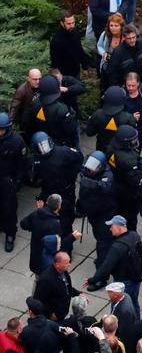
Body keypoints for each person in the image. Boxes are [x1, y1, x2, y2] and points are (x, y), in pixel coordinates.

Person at [85, 215, 142, 309]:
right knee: (134, 303)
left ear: (118, 226)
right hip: (136, 278)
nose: (110, 229)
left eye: (112, 226)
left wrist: (92, 280)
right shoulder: (134, 235)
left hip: (123, 282)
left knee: (119, 307)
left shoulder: (117, 247)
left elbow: (105, 268)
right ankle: (135, 322)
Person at [30, 131, 83, 234]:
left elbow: (79, 157)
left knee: (66, 220)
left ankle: (66, 244)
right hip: (49, 193)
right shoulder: (37, 160)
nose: (44, 149)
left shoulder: (64, 152)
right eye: (40, 147)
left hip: (66, 192)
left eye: (45, 145)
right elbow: (35, 178)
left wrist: (72, 173)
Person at [0, 113, 29, 252]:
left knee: (9, 208)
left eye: (2, 129)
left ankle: (10, 234)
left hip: (7, 179)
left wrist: (17, 181)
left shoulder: (16, 141)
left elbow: (22, 164)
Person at [30, 75, 79, 148]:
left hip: (45, 141)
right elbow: (71, 130)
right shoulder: (62, 109)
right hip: (62, 144)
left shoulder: (35, 103)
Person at [86, 86, 137, 152]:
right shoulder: (129, 118)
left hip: (101, 150)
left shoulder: (98, 114)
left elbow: (89, 133)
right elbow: (133, 141)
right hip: (120, 155)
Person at [33, 252, 81, 321]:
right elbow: (39, 299)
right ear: (57, 264)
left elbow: (66, 287)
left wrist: (78, 293)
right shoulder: (46, 279)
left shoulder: (63, 272)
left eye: (69, 262)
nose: (69, 264)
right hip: (53, 316)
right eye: (66, 263)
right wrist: (50, 314)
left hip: (61, 312)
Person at [105, 24, 142, 90]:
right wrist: (118, 88)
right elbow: (112, 72)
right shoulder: (118, 52)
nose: (132, 40)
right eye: (129, 38)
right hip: (126, 86)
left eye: (134, 37)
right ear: (124, 38)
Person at [50, 12, 90, 80]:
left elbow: (80, 50)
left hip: (76, 72)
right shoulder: (56, 40)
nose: (72, 26)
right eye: (68, 24)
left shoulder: (75, 32)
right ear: (62, 23)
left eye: (73, 23)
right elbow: (54, 61)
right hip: (64, 75)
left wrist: (84, 67)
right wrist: (58, 75)